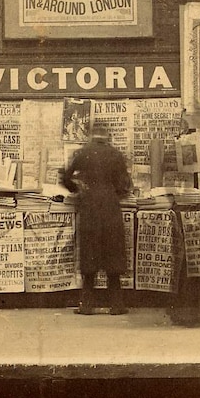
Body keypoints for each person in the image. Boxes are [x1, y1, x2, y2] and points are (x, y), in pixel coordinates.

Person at [61, 124, 132, 315]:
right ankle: (116, 305)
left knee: (90, 251)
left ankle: (87, 304)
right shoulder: (116, 154)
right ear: (107, 136)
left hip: (89, 204)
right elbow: (125, 184)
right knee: (113, 251)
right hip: (110, 204)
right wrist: (114, 192)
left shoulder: (83, 153)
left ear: (92, 136)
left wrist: (77, 190)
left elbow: (66, 177)